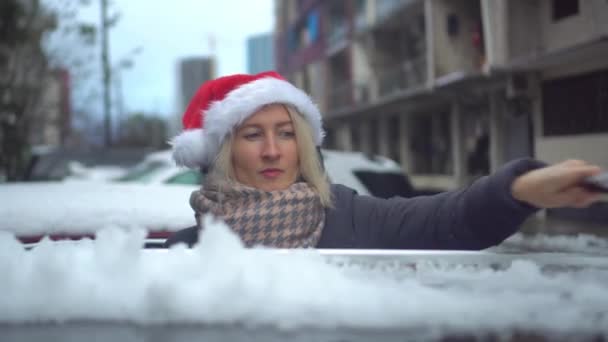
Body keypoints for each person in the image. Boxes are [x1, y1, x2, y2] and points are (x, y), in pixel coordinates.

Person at [165, 71, 603, 250]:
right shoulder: (185, 249)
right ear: (223, 152)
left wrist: (519, 190)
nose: (273, 150)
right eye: (252, 135)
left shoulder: (352, 216)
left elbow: (448, 218)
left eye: (285, 133)